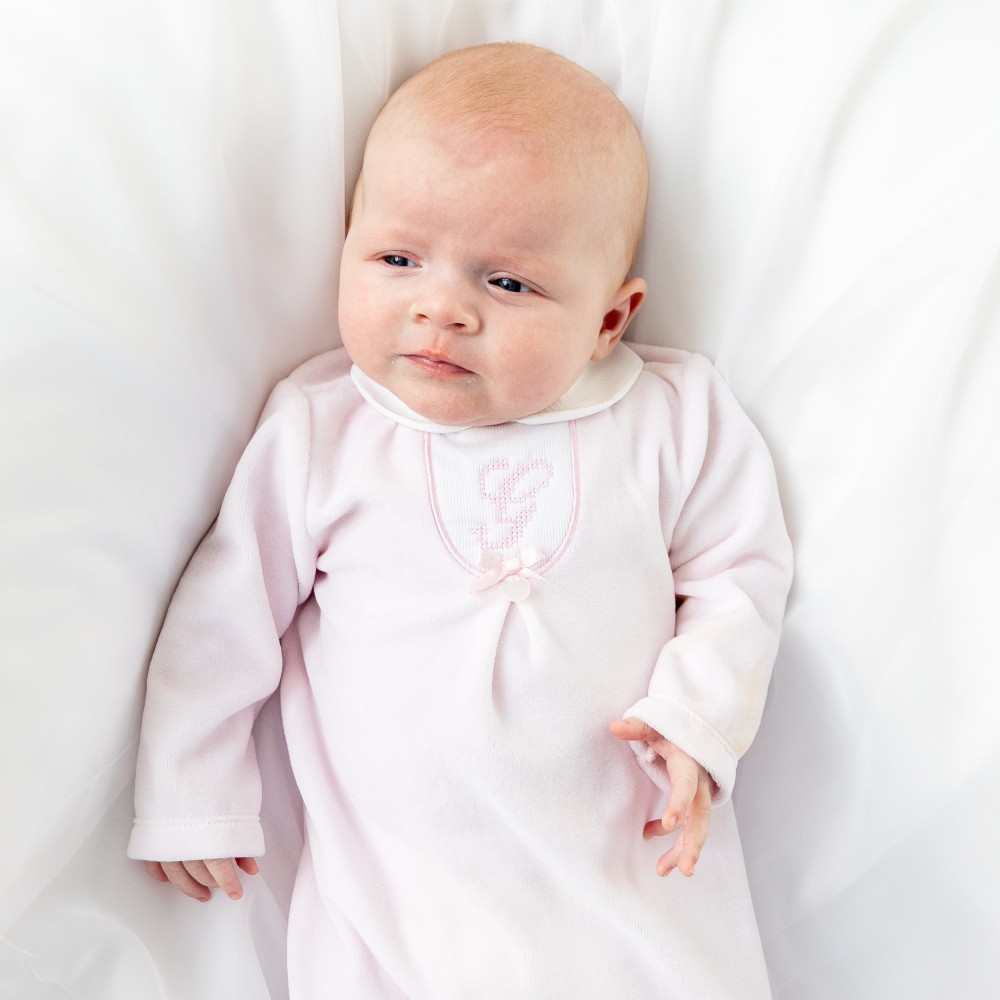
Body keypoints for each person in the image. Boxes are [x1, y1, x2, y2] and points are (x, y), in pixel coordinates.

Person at [129, 41, 793, 999]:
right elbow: (225, 617)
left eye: (507, 283)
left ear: (611, 320)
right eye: (398, 259)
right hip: (397, 910)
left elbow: (741, 574)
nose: (441, 308)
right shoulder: (323, 429)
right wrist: (191, 792)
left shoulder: (674, 417)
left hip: (634, 882)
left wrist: (698, 717)